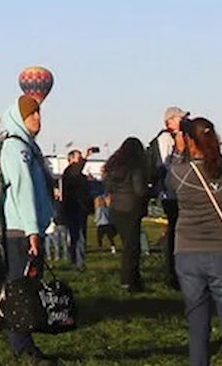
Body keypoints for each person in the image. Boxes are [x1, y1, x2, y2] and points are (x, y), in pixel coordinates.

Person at [167, 116, 222, 366]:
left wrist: (179, 146)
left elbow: (168, 180)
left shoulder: (180, 174)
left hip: (188, 252)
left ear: (190, 140)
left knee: (198, 324)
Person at [0, 95, 56, 362]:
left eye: (39, 113)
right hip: (20, 230)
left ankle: (23, 339)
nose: (38, 119)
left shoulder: (29, 147)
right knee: (20, 288)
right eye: (32, 114)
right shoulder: (16, 148)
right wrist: (32, 230)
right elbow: (23, 191)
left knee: (27, 286)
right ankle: (21, 343)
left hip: (28, 228)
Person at [102, 136, 151, 292]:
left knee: (127, 245)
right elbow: (139, 190)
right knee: (132, 248)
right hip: (131, 208)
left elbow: (108, 187)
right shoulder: (135, 166)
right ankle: (131, 280)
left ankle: (128, 280)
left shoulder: (113, 166)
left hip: (116, 208)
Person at [155, 106, 188, 289]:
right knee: (174, 232)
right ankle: (172, 273)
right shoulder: (166, 138)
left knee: (175, 231)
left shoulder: (173, 137)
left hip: (173, 190)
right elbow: (168, 164)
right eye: (179, 118)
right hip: (171, 192)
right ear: (169, 121)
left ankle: (176, 271)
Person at [59, 149, 92, 271]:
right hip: (75, 208)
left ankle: (74, 259)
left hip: (78, 208)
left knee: (76, 236)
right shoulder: (70, 172)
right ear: (71, 159)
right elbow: (77, 169)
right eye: (78, 158)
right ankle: (79, 262)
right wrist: (86, 157)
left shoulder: (75, 174)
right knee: (78, 236)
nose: (80, 160)